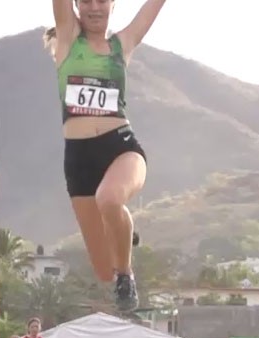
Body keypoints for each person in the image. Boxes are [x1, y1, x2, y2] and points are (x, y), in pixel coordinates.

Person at [44, 0, 168, 313]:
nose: (94, 8)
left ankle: (126, 275)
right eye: (86, 1)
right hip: (79, 161)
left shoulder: (121, 45)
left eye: (102, 0)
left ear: (113, 5)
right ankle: (121, 231)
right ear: (76, 5)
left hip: (120, 147)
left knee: (109, 199)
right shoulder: (68, 40)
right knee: (102, 270)